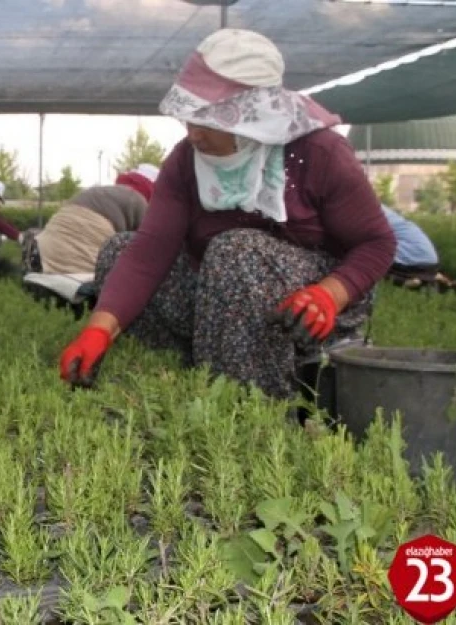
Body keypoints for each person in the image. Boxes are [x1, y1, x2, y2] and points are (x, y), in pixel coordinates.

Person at [58, 29, 396, 400]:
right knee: (119, 250)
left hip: (313, 307)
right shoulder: (186, 161)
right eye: (189, 120)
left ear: (252, 117)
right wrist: (99, 329)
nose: (194, 135)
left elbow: (376, 244)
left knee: (235, 252)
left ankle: (253, 406)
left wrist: (330, 294)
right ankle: (179, 381)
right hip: (221, 297)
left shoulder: (319, 152)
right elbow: (148, 252)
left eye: (207, 122)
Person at [21, 164, 159, 275]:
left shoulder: (97, 191)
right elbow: (148, 243)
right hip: (83, 260)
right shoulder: (138, 200)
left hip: (47, 249)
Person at [381, 205, 452, 289]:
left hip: (412, 258)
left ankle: (403, 281)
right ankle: (430, 276)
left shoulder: (368, 212)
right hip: (430, 260)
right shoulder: (377, 208)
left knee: (368, 261)